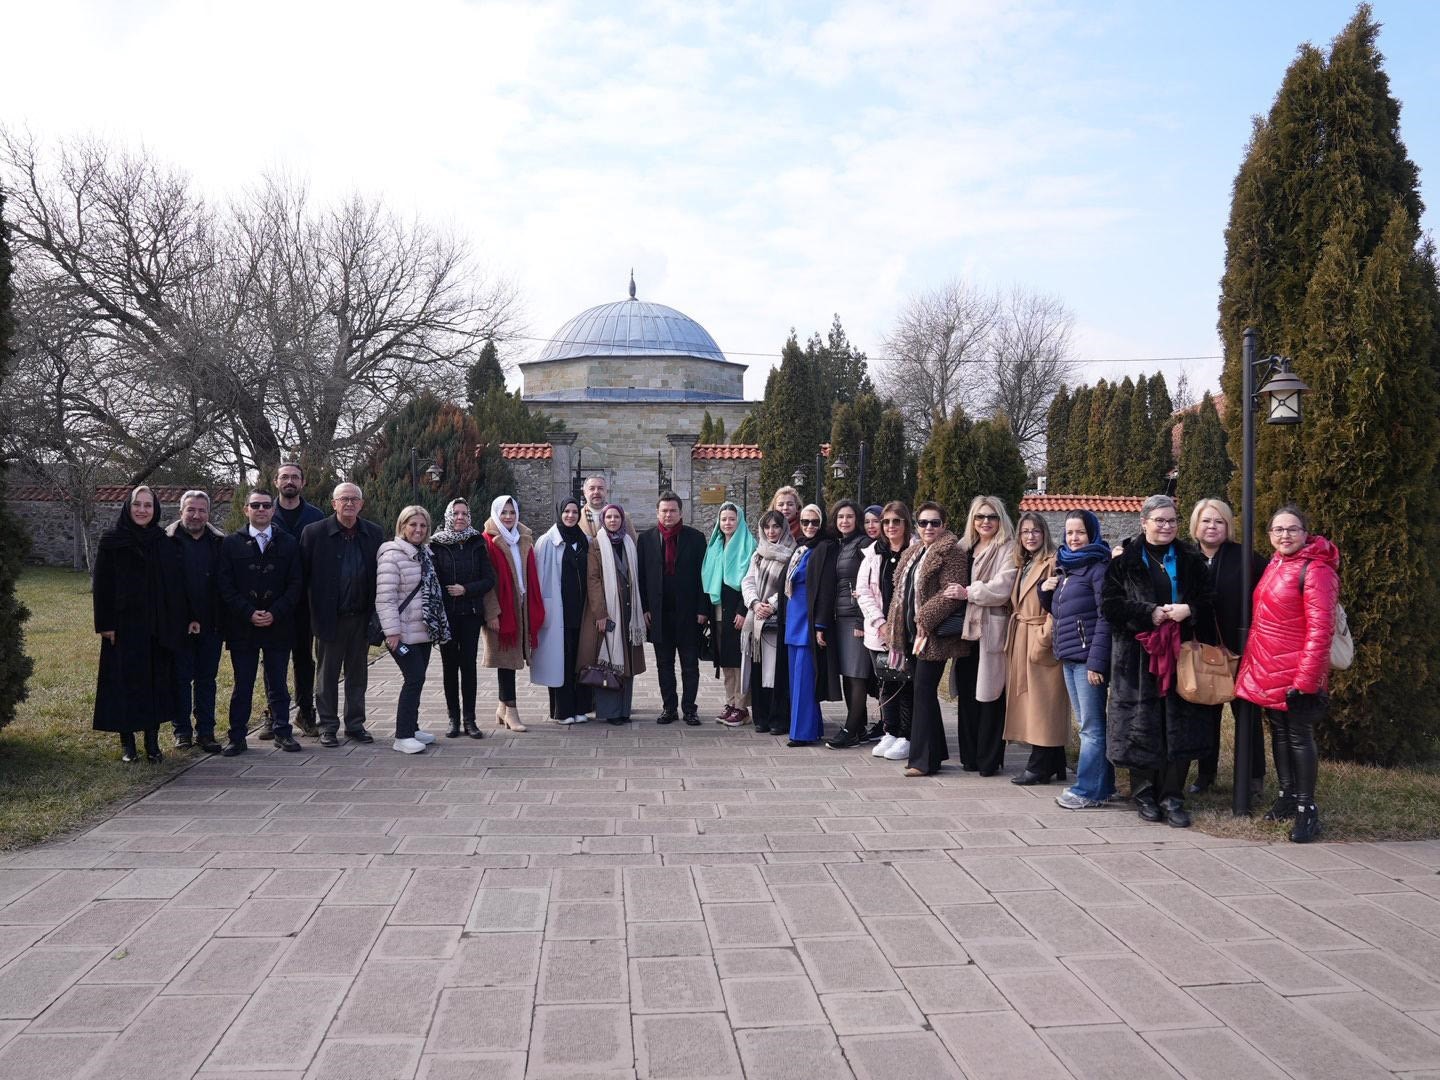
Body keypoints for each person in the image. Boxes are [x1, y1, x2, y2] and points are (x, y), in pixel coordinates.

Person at [1102, 493, 1215, 828]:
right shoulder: (1123, 561)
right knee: (1142, 726)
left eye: (1171, 520)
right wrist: (1147, 613)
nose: (1166, 526)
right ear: (1144, 522)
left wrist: (1189, 610)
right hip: (1137, 659)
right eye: (1159, 520)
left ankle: (1173, 795)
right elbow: (1109, 606)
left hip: (1180, 654)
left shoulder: (1191, 558)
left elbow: (1210, 601)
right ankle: (1144, 793)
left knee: (1177, 728)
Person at [1235, 506, 1339, 843]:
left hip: (1296, 670)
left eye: (1292, 529)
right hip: (1269, 666)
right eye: (1278, 530)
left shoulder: (1316, 570)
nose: (1284, 535)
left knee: (1298, 737)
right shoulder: (1277, 563)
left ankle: (1307, 809)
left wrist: (1306, 682)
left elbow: (1321, 630)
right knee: (1279, 734)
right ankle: (1287, 796)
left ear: (1306, 532)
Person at [92, 486, 184, 763]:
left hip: (155, 627)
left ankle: (152, 743)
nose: (142, 510)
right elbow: (102, 586)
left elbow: (173, 587)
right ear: (128, 507)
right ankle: (128, 744)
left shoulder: (163, 542)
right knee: (124, 683)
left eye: (148, 505)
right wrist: (105, 624)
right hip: (122, 626)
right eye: (137, 505)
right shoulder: (111, 541)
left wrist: (175, 623)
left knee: (154, 684)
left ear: (155, 510)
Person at [1186, 498, 1267, 796]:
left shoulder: (1245, 557)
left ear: (1228, 526)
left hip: (1241, 651)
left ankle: (1253, 777)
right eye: (1206, 521)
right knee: (1206, 715)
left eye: (1218, 521)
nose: (1212, 526)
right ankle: (1205, 775)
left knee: (1247, 716)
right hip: (1201, 651)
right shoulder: (1185, 556)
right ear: (1196, 524)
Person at [216, 488, 304, 756]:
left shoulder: (288, 543)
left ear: (273, 510)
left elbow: (296, 583)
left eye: (266, 505)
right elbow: (225, 585)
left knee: (278, 682)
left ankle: (282, 731)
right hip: (243, 626)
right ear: (246, 510)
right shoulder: (231, 544)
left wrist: (275, 612)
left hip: (279, 624)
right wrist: (248, 612)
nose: (262, 510)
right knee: (243, 684)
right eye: (256, 505)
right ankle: (237, 736)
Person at [885, 501, 968, 776]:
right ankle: (935, 753)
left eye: (934, 522)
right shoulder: (915, 551)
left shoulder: (952, 553)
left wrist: (924, 619)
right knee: (923, 693)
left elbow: (950, 593)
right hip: (910, 634)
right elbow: (901, 592)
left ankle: (922, 761)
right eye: (923, 523)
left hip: (933, 635)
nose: (928, 527)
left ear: (944, 525)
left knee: (923, 693)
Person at [300, 483, 384, 747]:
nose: (349, 503)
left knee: (358, 674)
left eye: (354, 499)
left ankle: (355, 724)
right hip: (329, 618)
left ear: (361, 504)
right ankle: (327, 726)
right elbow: (302, 577)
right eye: (344, 499)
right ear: (333, 503)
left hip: (360, 616)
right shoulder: (314, 533)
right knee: (327, 675)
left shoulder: (374, 533)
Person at [1043, 510, 1115, 810]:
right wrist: (1044, 592)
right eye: (1070, 533)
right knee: (1089, 725)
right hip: (1070, 657)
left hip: (1088, 660)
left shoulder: (1098, 567)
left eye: (1080, 533)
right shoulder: (1067, 568)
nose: (1074, 538)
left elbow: (1105, 616)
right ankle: (1104, 786)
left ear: (1093, 534)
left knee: (1091, 727)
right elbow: (1063, 612)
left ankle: (1087, 790)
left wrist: (1098, 662)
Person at [950, 496, 1018, 776]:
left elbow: (1003, 587)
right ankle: (969, 757)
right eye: (980, 517)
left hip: (992, 629)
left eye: (991, 517)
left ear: (1000, 519)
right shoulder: (964, 547)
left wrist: (969, 593)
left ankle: (989, 759)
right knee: (967, 694)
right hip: (965, 631)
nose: (985, 522)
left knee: (990, 695)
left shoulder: (1009, 548)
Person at [376, 505, 450, 754]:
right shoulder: (392, 556)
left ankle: (413, 727)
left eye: (422, 525)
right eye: (413, 525)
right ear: (402, 526)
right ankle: (402, 735)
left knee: (418, 679)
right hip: (402, 632)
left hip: (423, 629)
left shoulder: (425, 553)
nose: (418, 530)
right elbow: (385, 598)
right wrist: (392, 633)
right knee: (414, 677)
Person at [1004, 513, 1069, 785]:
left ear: (1045, 534)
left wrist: (1045, 635)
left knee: (1045, 704)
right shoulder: (1025, 563)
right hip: (1023, 634)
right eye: (1025, 531)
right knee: (1035, 703)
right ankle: (1055, 761)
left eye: (1036, 531)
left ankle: (1040, 765)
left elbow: (1060, 602)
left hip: (1041, 636)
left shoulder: (1053, 561)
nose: (1030, 536)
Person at [638, 491, 708, 725]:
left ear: (681, 513)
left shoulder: (696, 538)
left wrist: (702, 609)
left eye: (673, 511)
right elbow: (641, 577)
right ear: (657, 512)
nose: (668, 515)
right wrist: (645, 608)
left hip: (688, 614)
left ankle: (690, 709)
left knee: (690, 665)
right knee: (664, 665)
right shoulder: (646, 539)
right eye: (664, 511)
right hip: (659, 615)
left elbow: (703, 577)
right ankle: (669, 708)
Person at [269, 461, 326, 739]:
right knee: (273, 661)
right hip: (272, 601)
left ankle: (305, 712)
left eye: (295, 477)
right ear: (276, 482)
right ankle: (273, 714)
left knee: (304, 659)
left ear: (302, 483)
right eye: (285, 477)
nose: (289, 481)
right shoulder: (265, 512)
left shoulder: (315, 516)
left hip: (305, 601)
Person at [430, 498, 496, 738]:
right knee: (449, 667)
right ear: (449, 515)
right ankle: (453, 719)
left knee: (468, 667)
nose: (460, 517)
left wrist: (466, 589)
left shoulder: (476, 542)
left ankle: (470, 719)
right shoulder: (436, 544)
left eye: (464, 514)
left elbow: (489, 579)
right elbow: (433, 579)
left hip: (470, 614)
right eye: (456, 513)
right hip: (447, 615)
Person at [166, 490, 225, 753]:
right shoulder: (166, 541)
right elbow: (166, 587)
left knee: (206, 680)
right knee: (179, 679)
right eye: (191, 510)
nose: (196, 515)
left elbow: (223, 585)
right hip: (177, 625)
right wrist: (187, 618)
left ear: (208, 514)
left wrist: (205, 619)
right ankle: (181, 732)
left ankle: (206, 731)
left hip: (211, 624)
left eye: (202, 510)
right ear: (181, 512)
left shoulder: (220, 542)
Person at [578, 504, 647, 725]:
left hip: (628, 610)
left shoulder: (629, 542)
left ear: (623, 520)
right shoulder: (597, 544)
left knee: (627, 662)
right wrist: (600, 613)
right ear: (603, 520)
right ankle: (610, 711)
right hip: (608, 610)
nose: (613, 520)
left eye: (617, 516)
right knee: (609, 659)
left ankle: (624, 709)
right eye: (609, 517)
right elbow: (593, 579)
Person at [482, 495, 545, 733]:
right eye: (504, 513)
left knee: (510, 659)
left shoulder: (523, 538)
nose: (508, 517)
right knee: (506, 661)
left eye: (512, 512)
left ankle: (501, 707)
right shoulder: (487, 540)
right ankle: (512, 711)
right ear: (495, 514)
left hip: (521, 607)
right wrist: (492, 613)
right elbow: (487, 581)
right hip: (501, 610)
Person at [858, 501, 915, 760]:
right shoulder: (872, 553)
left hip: (906, 631)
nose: (891, 526)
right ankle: (890, 730)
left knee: (905, 683)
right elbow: (863, 592)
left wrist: (899, 625)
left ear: (905, 523)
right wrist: (880, 622)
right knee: (886, 681)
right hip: (878, 632)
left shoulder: (915, 551)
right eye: (887, 522)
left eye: (896, 521)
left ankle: (906, 735)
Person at [534, 497, 593, 726]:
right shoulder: (547, 541)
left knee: (581, 660)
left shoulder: (585, 540)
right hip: (558, 612)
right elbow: (539, 579)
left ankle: (581, 708)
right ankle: (562, 710)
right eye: (566, 511)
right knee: (561, 662)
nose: (570, 515)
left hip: (582, 611)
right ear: (559, 512)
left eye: (574, 511)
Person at [783, 504, 839, 746]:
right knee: (796, 680)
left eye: (814, 522)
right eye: (805, 522)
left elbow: (826, 589)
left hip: (808, 618)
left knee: (804, 679)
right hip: (794, 617)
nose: (809, 526)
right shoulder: (802, 546)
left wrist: (820, 625)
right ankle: (811, 727)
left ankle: (802, 732)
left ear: (823, 523)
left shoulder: (825, 547)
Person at [823, 500, 876, 749]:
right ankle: (860, 727)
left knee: (857, 676)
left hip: (856, 619)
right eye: (840, 517)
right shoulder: (841, 544)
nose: (844, 521)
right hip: (840, 617)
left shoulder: (863, 543)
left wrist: (861, 620)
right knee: (848, 674)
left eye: (850, 517)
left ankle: (851, 730)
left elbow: (868, 585)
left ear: (857, 520)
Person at [701, 501, 756, 727]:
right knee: (724, 660)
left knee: (739, 661)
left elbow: (751, 580)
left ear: (739, 520)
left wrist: (743, 610)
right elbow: (708, 577)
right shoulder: (715, 545)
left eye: (732, 519)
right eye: (723, 519)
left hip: (737, 610)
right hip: (718, 611)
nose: (727, 523)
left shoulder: (748, 544)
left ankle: (742, 707)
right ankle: (730, 702)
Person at [740, 510, 795, 736]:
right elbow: (748, 581)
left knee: (776, 672)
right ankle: (760, 718)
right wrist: (754, 603)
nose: (771, 531)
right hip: (757, 622)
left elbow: (790, 585)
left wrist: (771, 605)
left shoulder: (792, 553)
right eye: (767, 527)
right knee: (759, 669)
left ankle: (778, 719)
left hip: (778, 621)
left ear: (784, 529)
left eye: (776, 527)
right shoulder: (758, 554)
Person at [578, 474, 635, 540]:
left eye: (600, 488)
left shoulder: (623, 517)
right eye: (592, 488)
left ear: (606, 492)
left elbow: (633, 544)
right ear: (584, 492)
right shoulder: (576, 518)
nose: (596, 492)